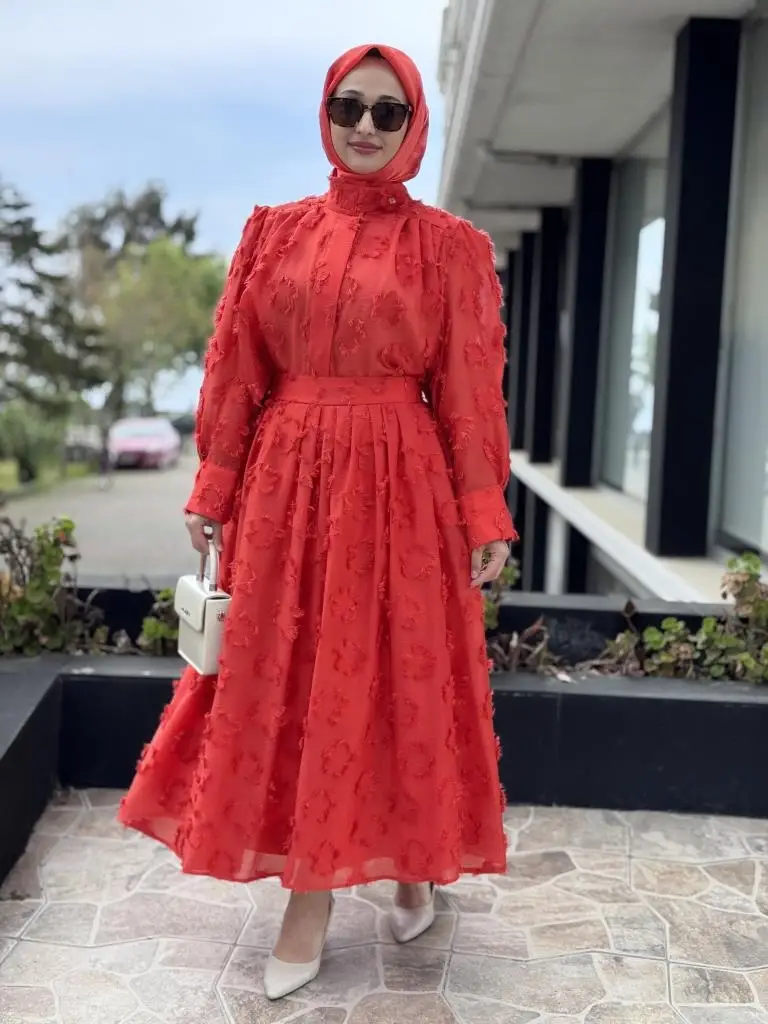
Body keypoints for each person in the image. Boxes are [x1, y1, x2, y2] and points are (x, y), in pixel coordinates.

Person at [118, 42, 518, 1001]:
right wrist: (213, 486)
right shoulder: (273, 233)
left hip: (399, 491)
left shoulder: (450, 248)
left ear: (415, 124)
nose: (365, 127)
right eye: (349, 107)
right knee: (292, 681)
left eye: (388, 112)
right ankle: (320, 890)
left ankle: (398, 866)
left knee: (390, 680)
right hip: (284, 488)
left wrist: (483, 514)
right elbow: (237, 370)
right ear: (325, 115)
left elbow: (470, 395)